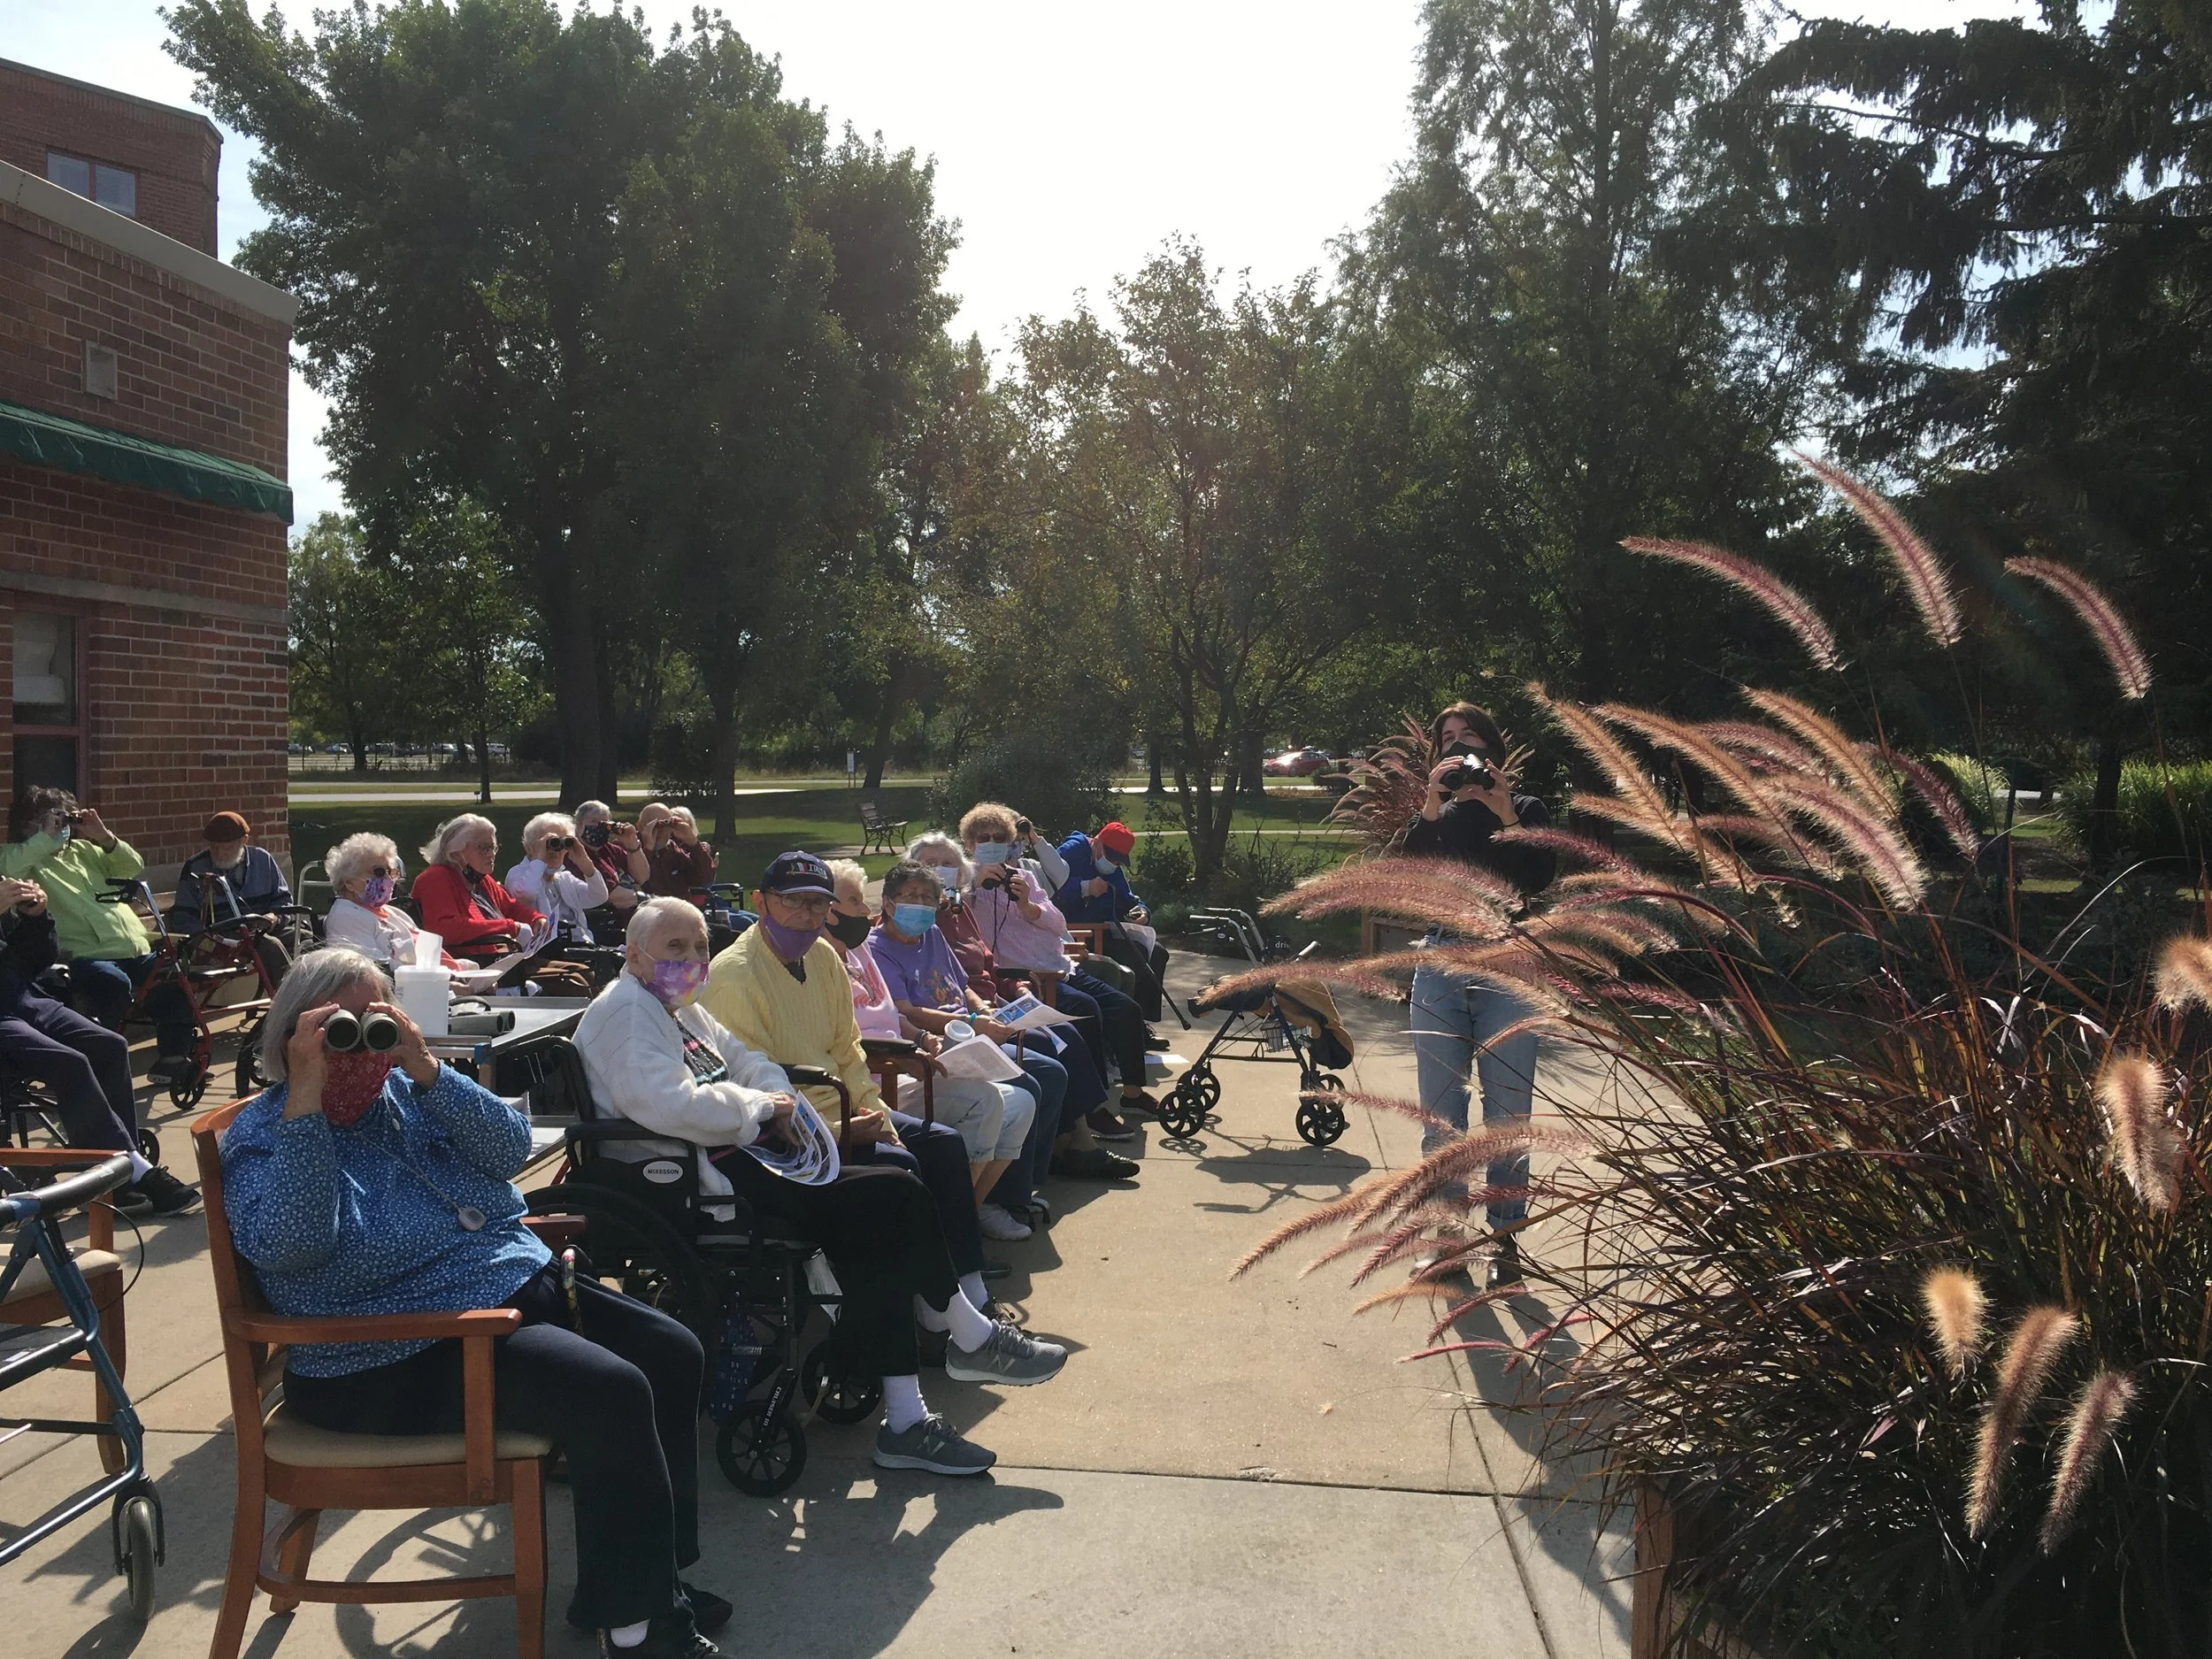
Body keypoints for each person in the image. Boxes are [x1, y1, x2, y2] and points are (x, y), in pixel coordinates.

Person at [219, 947, 728, 1657]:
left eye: (378, 1023)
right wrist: (307, 1098)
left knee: (673, 1352)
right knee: (611, 1391)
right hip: (388, 1352)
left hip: (500, 1295)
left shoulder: (402, 1092)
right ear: (291, 1038)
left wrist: (424, 1065)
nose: (362, 1047)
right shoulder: (266, 1136)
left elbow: (512, 1145)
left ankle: (641, 1582)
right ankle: (641, 1630)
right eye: (340, 1028)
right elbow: (294, 1245)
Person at [603, 891, 1065, 1477]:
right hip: (702, 1176)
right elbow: (665, 1103)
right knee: (892, 1193)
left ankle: (915, 1406)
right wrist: (762, 1108)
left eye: (699, 944)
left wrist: (774, 1099)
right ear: (635, 954)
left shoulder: (677, 1004)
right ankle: (959, 1348)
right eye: (675, 946)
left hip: (745, 1152)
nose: (692, 956)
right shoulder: (626, 1012)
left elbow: (746, 1058)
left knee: (889, 1194)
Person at [1404, 700, 1558, 1290]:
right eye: (1447, 737)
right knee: (1441, 1118)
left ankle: (1503, 1244)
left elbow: (1537, 879)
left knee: (1507, 1118)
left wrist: (1506, 815)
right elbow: (1407, 874)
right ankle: (1447, 1243)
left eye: (1469, 736)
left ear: (1490, 747)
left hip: (1507, 964)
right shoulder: (1436, 815)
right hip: (1440, 964)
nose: (1459, 746)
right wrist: (1430, 804)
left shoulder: (1524, 808)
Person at [824, 858, 1040, 1247]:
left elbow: (896, 1015)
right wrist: (917, 1050)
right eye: (855, 900)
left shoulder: (859, 954)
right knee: (987, 1101)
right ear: (827, 909)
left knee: (1021, 1102)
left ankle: (968, 1213)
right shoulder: (829, 962)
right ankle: (951, 1232)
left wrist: (924, 1041)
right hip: (880, 1079)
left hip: (913, 1057)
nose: (864, 910)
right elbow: (854, 1040)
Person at [907, 832, 1132, 1142]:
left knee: (1065, 1033)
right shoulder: (928, 920)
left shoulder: (961, 911)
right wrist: (980, 1015)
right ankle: (1077, 1138)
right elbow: (941, 989)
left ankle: (1079, 1130)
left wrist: (1016, 986)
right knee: (1055, 1048)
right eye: (930, 863)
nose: (939, 869)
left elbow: (989, 965)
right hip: (967, 1020)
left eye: (946, 863)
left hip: (998, 1000)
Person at [953, 809, 1164, 1132]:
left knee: (1126, 1008)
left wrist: (1028, 907)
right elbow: (955, 925)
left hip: (1059, 966)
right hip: (1026, 977)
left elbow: (1057, 923)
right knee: (1086, 1010)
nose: (992, 844)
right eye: (984, 839)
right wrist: (974, 888)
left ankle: (1133, 1094)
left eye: (999, 838)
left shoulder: (1023, 876)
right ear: (969, 843)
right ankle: (1093, 1108)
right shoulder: (962, 883)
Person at [0, 875, 198, 1217]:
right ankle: (130, 1170)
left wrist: (35, 918)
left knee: (109, 1045)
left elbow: (32, 962)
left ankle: (112, 1182)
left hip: (23, 1001)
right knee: (70, 1063)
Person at [1, 787, 197, 1085]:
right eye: (54, 821)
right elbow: (8, 867)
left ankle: (172, 1061)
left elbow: (132, 865)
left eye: (66, 821)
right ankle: (96, 1061)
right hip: (82, 955)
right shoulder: (22, 858)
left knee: (175, 978)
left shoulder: (84, 852)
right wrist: (44, 838)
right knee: (110, 984)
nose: (62, 828)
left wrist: (104, 836)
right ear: (29, 825)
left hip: (133, 946)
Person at [1053, 820, 1173, 1030]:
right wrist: (1084, 888)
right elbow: (1048, 890)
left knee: (1158, 953)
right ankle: (1125, 1021)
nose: (1113, 865)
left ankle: (1142, 1021)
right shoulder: (1071, 852)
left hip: (1107, 930)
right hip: (1076, 934)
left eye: (1119, 862)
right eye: (1111, 858)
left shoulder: (1113, 869)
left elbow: (1130, 900)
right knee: (1135, 955)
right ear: (1097, 843)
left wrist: (1143, 912)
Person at [411, 815, 546, 962]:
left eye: (493, 848)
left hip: (500, 959)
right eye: (483, 848)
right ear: (456, 854)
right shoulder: (435, 879)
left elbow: (511, 907)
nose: (491, 855)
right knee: (570, 976)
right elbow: (445, 929)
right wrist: (509, 927)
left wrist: (535, 919)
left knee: (572, 972)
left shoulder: (481, 879)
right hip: (470, 966)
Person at [321, 833, 464, 969]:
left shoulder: (394, 913)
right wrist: (445, 980)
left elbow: (431, 956)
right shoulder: (346, 917)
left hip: (440, 979)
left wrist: (466, 973)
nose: (389, 879)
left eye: (392, 872)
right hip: (411, 988)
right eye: (379, 872)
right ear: (349, 882)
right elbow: (373, 968)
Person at [505, 812, 611, 945]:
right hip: (544, 950)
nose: (557, 850)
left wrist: (585, 863)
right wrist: (538, 858)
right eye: (551, 843)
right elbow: (527, 894)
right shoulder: (518, 874)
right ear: (529, 847)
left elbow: (599, 896)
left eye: (564, 843)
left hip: (582, 946)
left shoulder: (564, 879)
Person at [575, 801, 650, 923]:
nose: (599, 827)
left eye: (604, 823)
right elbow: (612, 897)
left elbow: (642, 876)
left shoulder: (610, 850)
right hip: (601, 923)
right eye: (593, 822)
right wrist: (649, 900)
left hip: (631, 919)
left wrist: (632, 844)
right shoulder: (575, 854)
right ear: (578, 825)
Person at [636, 804, 718, 899]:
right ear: (639, 825)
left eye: (667, 825)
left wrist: (693, 843)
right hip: (649, 910)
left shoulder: (672, 849)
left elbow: (704, 880)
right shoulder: (629, 849)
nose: (662, 832)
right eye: (656, 826)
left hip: (681, 909)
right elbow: (639, 883)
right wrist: (648, 850)